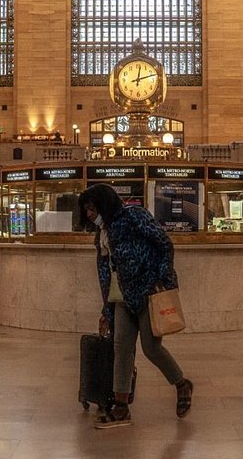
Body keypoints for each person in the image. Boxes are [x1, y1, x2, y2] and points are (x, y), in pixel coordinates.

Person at [78, 183, 193, 429]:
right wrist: (106, 310)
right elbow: (105, 274)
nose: (89, 214)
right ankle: (121, 407)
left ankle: (182, 383)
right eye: (86, 210)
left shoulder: (134, 216)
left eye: (92, 208)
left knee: (151, 348)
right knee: (122, 348)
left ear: (104, 204)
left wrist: (160, 280)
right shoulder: (103, 234)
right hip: (121, 298)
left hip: (148, 292)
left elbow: (165, 244)